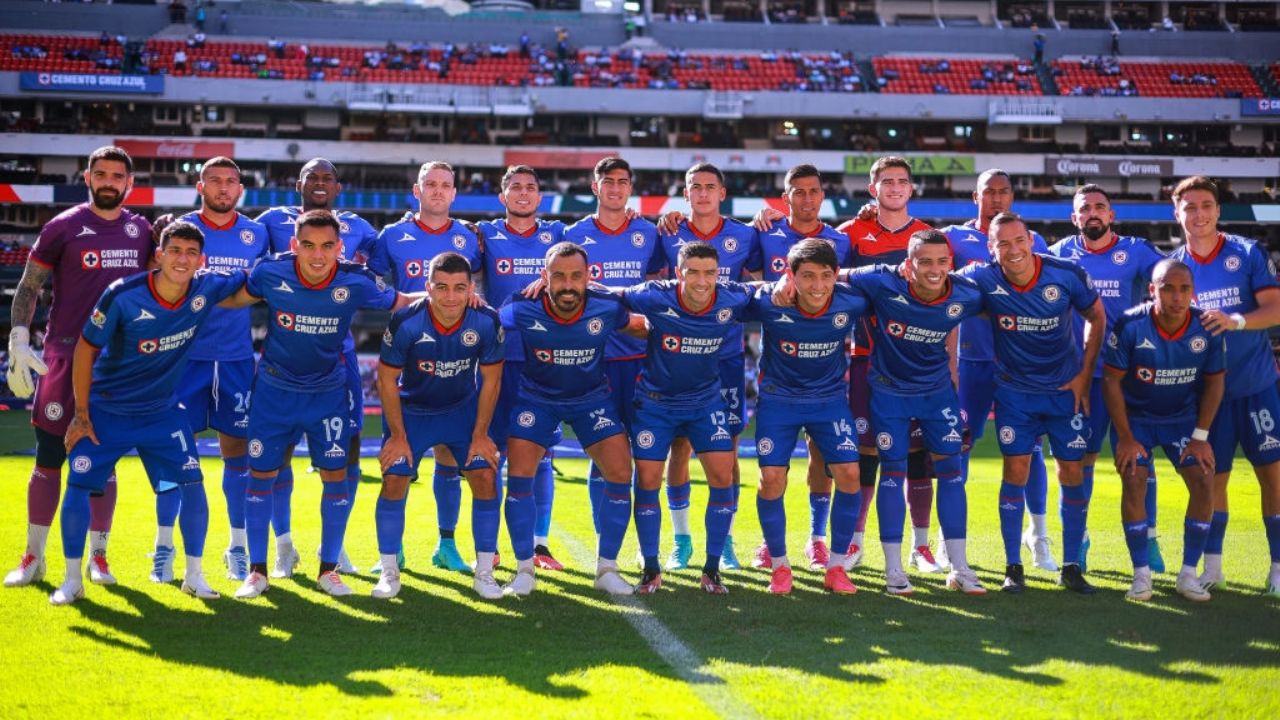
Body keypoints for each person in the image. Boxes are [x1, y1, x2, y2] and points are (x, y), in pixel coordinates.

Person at [52, 221, 246, 605]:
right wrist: (82, 413)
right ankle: (72, 580)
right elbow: (86, 350)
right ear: (159, 254)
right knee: (77, 484)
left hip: (162, 411)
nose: (182, 259)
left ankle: (194, 575)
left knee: (193, 483)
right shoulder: (122, 295)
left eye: (191, 253)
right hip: (109, 409)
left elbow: (253, 282)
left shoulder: (206, 288)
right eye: (175, 250)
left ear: (201, 260)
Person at [224, 210, 415, 599]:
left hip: (328, 394)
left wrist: (465, 300)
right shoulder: (271, 273)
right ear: (294, 245)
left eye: (327, 246)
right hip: (274, 393)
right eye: (308, 245)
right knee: (260, 477)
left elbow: (403, 301)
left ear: (340, 248)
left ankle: (328, 569)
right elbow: (229, 298)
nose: (317, 255)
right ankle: (257, 572)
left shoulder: (356, 280)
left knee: (335, 477)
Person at [6, 146, 153, 589]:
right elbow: (29, 286)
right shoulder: (63, 226)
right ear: (86, 177)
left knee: (103, 465)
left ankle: (99, 556)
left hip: (116, 362)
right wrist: (18, 337)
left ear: (130, 184)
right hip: (65, 355)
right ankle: (34, 556)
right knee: (48, 458)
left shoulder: (141, 230)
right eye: (101, 174)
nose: (109, 182)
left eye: (117, 176)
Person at [957, 211, 1106, 594]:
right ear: (991, 249)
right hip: (1014, 395)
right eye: (1002, 243)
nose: (1013, 249)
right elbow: (940, 290)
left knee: (1071, 474)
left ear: (1031, 240)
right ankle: (1014, 567)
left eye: (1019, 240)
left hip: (1063, 394)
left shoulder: (1065, 273)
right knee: (1016, 472)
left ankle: (1071, 566)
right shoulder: (982, 278)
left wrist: (1085, 374)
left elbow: (1097, 314)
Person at [498, 241, 645, 596]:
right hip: (537, 399)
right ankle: (523, 571)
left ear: (589, 277)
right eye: (558, 276)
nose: (567, 285)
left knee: (621, 473)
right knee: (519, 476)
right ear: (544, 277)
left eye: (576, 276)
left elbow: (643, 326)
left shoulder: (607, 306)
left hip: (590, 400)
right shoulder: (521, 306)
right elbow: (482, 323)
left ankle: (607, 568)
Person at [846, 230, 987, 595]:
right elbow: (832, 275)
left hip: (937, 395)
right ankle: (893, 570)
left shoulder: (967, 292)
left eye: (942, 262)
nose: (934, 269)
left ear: (951, 264)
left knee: (952, 474)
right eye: (924, 261)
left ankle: (959, 567)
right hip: (889, 393)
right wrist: (783, 280)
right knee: (891, 472)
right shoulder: (881, 280)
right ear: (908, 265)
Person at [256, 159, 377, 577]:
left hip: (337, 358)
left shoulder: (359, 228)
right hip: (286, 355)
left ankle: (335, 546)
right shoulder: (271, 221)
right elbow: (241, 256)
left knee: (350, 452)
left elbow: (387, 267)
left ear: (338, 187)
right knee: (278, 455)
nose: (320, 184)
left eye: (328, 178)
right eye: (313, 178)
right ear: (298, 184)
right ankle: (283, 544)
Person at [611, 241, 753, 594]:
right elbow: (613, 294)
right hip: (655, 404)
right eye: (693, 272)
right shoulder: (655, 295)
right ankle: (651, 567)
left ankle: (712, 568)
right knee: (647, 479)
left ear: (718, 274)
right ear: (679, 273)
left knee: (722, 474)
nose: (702, 281)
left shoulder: (731, 297)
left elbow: (763, 290)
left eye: (709, 273)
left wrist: (785, 286)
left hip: (705, 403)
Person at [369, 161, 483, 573]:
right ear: (416, 191)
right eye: (430, 184)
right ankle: (392, 552)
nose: (437, 191)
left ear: (454, 193)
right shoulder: (392, 236)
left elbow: (479, 285)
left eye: (445, 185)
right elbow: (373, 283)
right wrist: (402, 300)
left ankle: (446, 545)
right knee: (396, 463)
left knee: (450, 462)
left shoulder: (470, 237)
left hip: (456, 362)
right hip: (406, 361)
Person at [1168, 176, 1280, 596]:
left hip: (1255, 386)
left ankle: (1277, 568)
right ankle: (1214, 567)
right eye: (1189, 207)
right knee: (1212, 481)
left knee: (1273, 477)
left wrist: (1237, 320)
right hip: (1207, 396)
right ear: (1176, 214)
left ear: (1217, 210)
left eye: (1206, 205)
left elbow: (1275, 308)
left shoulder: (1247, 253)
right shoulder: (1174, 267)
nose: (1198, 214)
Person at [373, 252, 504, 600]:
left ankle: (485, 573)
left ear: (471, 288)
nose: (450, 296)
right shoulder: (406, 322)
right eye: (441, 287)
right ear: (427, 288)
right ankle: (389, 571)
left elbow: (491, 380)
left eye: (460, 288)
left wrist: (480, 435)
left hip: (461, 411)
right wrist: (398, 437)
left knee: (485, 475)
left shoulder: (486, 321)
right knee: (395, 475)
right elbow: (386, 380)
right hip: (413, 411)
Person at [939, 169, 1053, 571]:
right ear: (976, 197)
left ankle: (1038, 536)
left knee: (1032, 450)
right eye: (990, 192)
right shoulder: (954, 237)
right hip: (971, 362)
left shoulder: (1031, 240)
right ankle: (947, 541)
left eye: (1005, 191)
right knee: (959, 443)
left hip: (1019, 363)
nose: (998, 198)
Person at [1049, 184, 1165, 573]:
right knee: (1077, 460)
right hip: (1082, 377)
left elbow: (1174, 281)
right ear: (1074, 218)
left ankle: (1148, 540)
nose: (1093, 213)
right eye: (1085, 209)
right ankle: (1078, 541)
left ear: (1111, 215)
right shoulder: (1060, 255)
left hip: (1130, 376)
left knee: (1138, 460)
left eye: (1100, 207)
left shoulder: (1136, 251)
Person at [654, 163, 761, 573]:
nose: (702, 194)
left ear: (722, 192)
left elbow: (758, 283)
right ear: (685, 194)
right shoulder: (668, 233)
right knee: (679, 447)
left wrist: (769, 216)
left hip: (727, 357)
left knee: (727, 451)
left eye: (709, 187)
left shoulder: (745, 235)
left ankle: (726, 540)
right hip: (677, 356)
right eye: (694, 188)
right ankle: (681, 541)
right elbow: (654, 285)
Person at [748, 164, 852, 571]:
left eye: (813, 191)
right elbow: (749, 277)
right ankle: (768, 544)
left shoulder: (840, 240)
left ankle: (817, 537)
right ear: (785, 196)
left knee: (821, 458)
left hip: (826, 371)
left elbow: (853, 286)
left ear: (822, 195)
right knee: (773, 471)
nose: (806, 199)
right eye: (798, 192)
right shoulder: (764, 232)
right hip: (778, 370)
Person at [837, 157, 938, 574]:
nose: (895, 187)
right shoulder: (851, 233)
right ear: (872, 188)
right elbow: (829, 272)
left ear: (911, 189)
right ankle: (857, 543)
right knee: (865, 454)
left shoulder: (928, 236)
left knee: (918, 456)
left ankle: (921, 546)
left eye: (902, 181)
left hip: (917, 363)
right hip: (866, 358)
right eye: (886, 181)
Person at [748, 239, 866, 595]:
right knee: (771, 479)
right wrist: (772, 286)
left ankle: (836, 566)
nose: (817, 286)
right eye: (808, 276)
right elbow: (729, 292)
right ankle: (780, 566)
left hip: (828, 401)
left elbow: (888, 280)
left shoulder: (853, 300)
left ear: (836, 276)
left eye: (826, 276)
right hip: (778, 400)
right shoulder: (769, 301)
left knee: (849, 474)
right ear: (791, 276)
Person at [1102, 258, 1223, 602]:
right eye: (1167, 288)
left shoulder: (1206, 326)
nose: (1176, 296)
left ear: (1192, 291)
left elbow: (1216, 383)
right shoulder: (1131, 324)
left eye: (1184, 288)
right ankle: (1141, 575)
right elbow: (1111, 381)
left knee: (1202, 478)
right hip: (1136, 419)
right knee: (1134, 478)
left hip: (1182, 419)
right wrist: (1125, 437)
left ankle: (1188, 575)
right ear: (1152, 290)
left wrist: (1200, 437)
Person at [172, 157, 269, 583]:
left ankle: (238, 545)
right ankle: (165, 549)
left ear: (241, 189)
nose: (224, 188)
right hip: (184, 358)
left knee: (238, 455)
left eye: (231, 182)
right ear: (200, 186)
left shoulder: (256, 234)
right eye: (215, 181)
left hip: (234, 359)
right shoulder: (181, 230)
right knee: (176, 457)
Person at [562, 158, 662, 540]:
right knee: (602, 453)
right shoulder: (573, 234)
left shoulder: (647, 232)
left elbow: (658, 281)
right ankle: (607, 545)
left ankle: (645, 544)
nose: (616, 188)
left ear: (630, 188)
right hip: (595, 362)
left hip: (642, 360)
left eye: (622, 182)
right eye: (608, 182)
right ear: (595, 187)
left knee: (647, 457)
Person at [476, 165, 566, 571]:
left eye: (531, 187)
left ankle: (540, 544)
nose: (524, 193)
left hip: (543, 361)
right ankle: (490, 545)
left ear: (540, 197)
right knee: (490, 454)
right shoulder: (484, 234)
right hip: (495, 359)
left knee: (541, 454)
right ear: (503, 196)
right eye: (515, 187)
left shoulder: (558, 237)